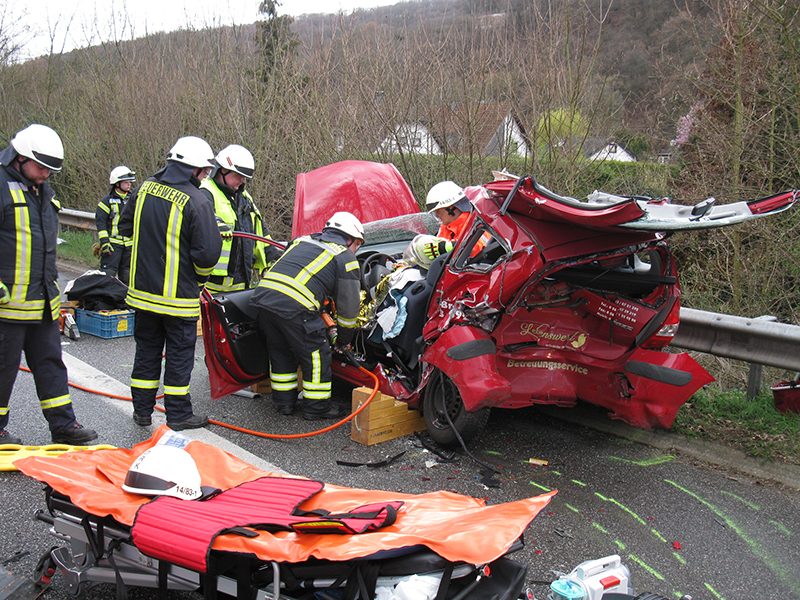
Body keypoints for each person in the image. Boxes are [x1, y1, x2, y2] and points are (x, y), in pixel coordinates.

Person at [0, 124, 98, 445]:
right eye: (41, 167)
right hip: (6, 306)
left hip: (41, 302)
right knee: (3, 368)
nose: (46, 174)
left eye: (50, 170)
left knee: (51, 365)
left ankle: (64, 425)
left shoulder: (41, 191)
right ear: (20, 157)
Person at [118, 136, 222, 431]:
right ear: (193, 169)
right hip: (178, 299)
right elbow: (207, 255)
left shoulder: (143, 188)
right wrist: (198, 280)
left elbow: (125, 227)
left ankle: (142, 411)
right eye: (204, 171)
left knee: (146, 353)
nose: (205, 176)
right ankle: (178, 415)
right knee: (178, 357)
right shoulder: (197, 201)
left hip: (142, 295)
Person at [250, 212, 363, 420]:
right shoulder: (345, 257)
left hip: (263, 299)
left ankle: (284, 403)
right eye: (358, 243)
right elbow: (348, 307)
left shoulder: (301, 241)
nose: (357, 248)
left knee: (280, 350)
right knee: (317, 353)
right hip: (295, 305)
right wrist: (344, 339)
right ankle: (317, 407)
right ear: (350, 239)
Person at [199, 144, 279, 293]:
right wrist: (216, 223)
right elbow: (201, 219)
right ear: (223, 170)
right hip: (211, 287)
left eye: (245, 177)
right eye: (238, 175)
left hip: (243, 283)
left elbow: (260, 231)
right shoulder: (205, 192)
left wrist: (274, 256)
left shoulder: (244, 198)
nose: (242, 180)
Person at [95, 165, 136, 284]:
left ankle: (124, 296)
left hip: (129, 246)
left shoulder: (133, 199)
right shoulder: (106, 201)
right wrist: (105, 242)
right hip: (112, 246)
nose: (129, 184)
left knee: (127, 277)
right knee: (108, 276)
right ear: (117, 183)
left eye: (130, 182)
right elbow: (101, 222)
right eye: (126, 182)